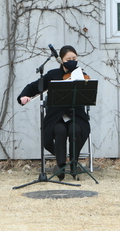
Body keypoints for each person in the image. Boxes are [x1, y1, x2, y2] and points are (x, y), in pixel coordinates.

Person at [17, 45, 91, 181]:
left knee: (76, 130)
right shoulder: (53, 75)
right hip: (56, 117)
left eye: (74, 58)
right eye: (68, 59)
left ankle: (74, 163)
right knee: (60, 131)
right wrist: (24, 96)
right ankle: (61, 165)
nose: (72, 61)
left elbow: (87, 94)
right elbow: (34, 86)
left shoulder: (81, 75)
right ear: (62, 60)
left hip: (76, 116)